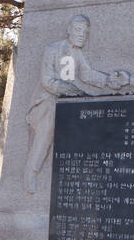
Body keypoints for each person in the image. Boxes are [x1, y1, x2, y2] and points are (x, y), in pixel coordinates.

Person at [24, 14, 128, 192]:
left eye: (85, 32)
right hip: (45, 104)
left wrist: (109, 81)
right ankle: (31, 172)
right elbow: (47, 81)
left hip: (68, 105)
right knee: (50, 122)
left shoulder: (76, 53)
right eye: (78, 30)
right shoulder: (53, 49)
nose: (82, 35)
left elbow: (88, 74)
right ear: (69, 30)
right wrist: (71, 91)